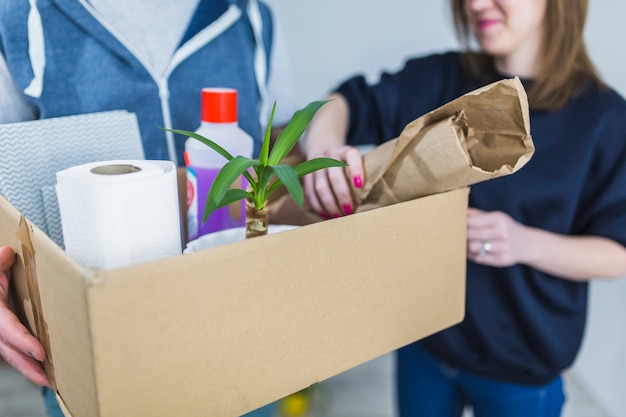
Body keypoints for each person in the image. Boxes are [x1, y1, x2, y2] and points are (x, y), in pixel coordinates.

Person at [302, 0, 626, 416]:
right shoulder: (439, 79)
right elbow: (342, 101)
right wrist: (324, 149)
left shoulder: (606, 119)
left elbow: (617, 254)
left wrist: (523, 243)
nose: (475, 4)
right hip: (426, 341)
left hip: (520, 366)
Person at [0, 0, 296, 416]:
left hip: (242, 343)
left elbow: (280, 150)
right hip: (100, 352)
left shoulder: (248, 16)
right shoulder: (21, 17)